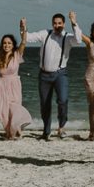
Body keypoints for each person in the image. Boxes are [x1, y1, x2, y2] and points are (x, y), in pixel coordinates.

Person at [25, 11, 83, 140]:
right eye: (55, 23)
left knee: (62, 100)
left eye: (60, 23)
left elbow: (78, 40)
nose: (57, 25)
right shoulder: (45, 34)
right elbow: (28, 38)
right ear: (52, 24)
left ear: (64, 24)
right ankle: (46, 131)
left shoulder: (68, 37)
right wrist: (23, 28)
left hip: (60, 74)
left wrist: (74, 22)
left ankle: (61, 127)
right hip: (44, 75)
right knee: (45, 104)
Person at [0, 25, 33, 140]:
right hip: (2, 86)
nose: (6, 45)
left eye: (9, 43)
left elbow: (23, 42)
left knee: (14, 109)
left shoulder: (17, 55)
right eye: (4, 43)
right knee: (3, 111)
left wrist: (23, 29)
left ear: (13, 45)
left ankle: (16, 129)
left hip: (14, 85)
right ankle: (9, 132)